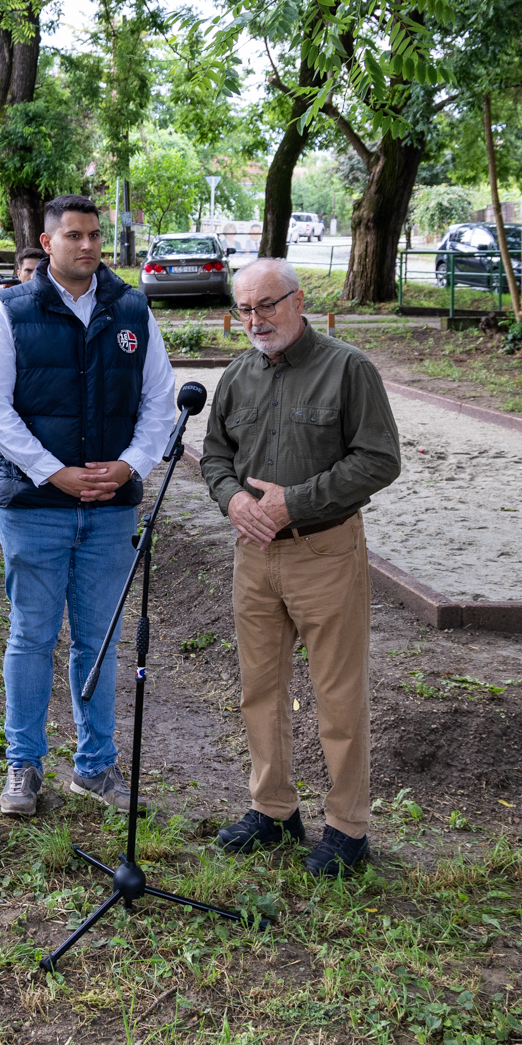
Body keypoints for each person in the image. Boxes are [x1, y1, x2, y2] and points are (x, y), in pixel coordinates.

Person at [199, 259, 402, 877]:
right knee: (260, 688)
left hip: (325, 550)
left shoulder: (348, 369)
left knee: (337, 695)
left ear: (298, 300)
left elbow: (380, 460)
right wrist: (233, 499)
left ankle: (347, 827)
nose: (256, 320)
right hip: (254, 555)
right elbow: (214, 456)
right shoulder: (236, 375)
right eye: (245, 309)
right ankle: (273, 809)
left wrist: (296, 500)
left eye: (267, 304)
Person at [0, 195, 176, 817]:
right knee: (31, 638)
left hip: (112, 510)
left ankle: (94, 766)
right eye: (74, 236)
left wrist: (131, 466)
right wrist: (53, 473)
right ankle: (24, 765)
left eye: (95, 236)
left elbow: (160, 402)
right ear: (47, 240)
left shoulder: (132, 311)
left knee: (99, 642)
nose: (88, 246)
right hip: (35, 508)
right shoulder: (9, 313)